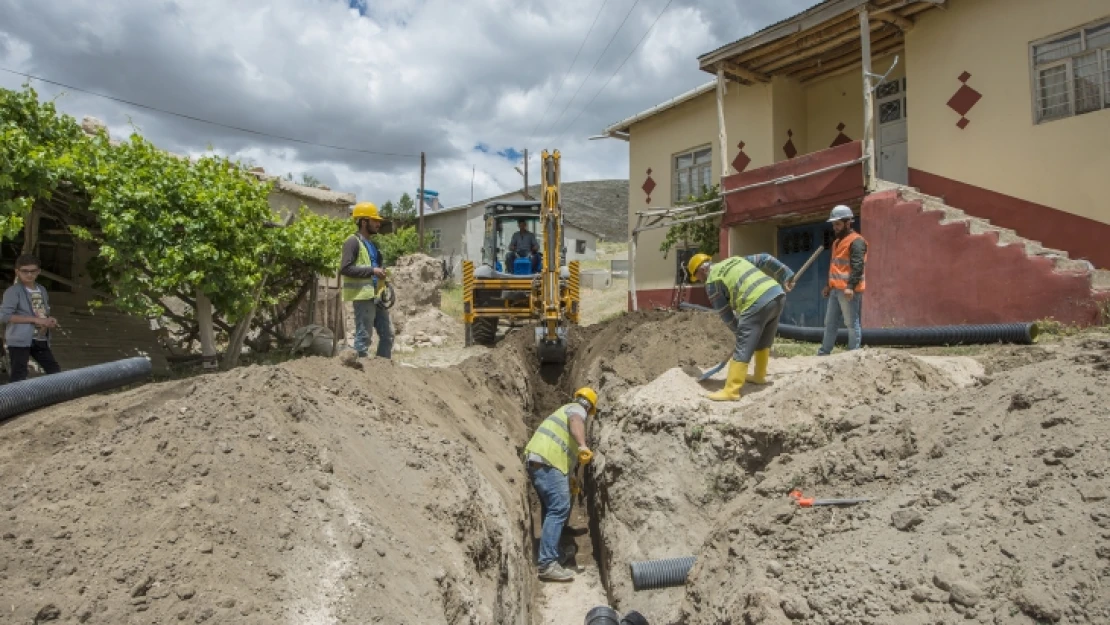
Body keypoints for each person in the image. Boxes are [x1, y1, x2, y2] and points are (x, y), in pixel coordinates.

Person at [687, 251, 795, 402]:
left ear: (702, 270)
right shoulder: (735, 260)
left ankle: (731, 390)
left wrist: (740, 333)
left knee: (743, 347)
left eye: (696, 276)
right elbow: (765, 258)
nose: (698, 280)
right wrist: (786, 274)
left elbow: (725, 314)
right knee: (764, 338)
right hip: (776, 294)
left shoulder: (712, 282)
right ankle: (759, 375)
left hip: (755, 301)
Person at [523, 387, 598, 582]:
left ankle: (553, 553)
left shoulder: (566, 410)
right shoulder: (576, 409)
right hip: (548, 462)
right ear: (589, 406)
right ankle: (547, 564)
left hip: (541, 462)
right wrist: (583, 445)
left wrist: (570, 478)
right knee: (559, 507)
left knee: (551, 509)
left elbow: (566, 449)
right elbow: (575, 423)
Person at [340, 202, 393, 359]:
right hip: (363, 297)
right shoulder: (352, 242)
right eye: (374, 220)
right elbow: (345, 268)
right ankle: (360, 376)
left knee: (388, 335)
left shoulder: (371, 245)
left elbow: (374, 267)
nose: (378, 224)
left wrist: (381, 274)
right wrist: (372, 271)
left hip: (377, 296)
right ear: (364, 222)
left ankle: (382, 371)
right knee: (363, 338)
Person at [0, 254, 62, 382]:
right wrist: (35, 320)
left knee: (54, 370)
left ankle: (58, 399)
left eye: (33, 271)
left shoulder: (42, 290)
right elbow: (4, 316)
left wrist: (49, 319)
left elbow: (41, 312)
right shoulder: (13, 291)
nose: (29, 274)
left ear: (38, 271)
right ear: (17, 271)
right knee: (19, 374)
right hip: (19, 339)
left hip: (40, 337)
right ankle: (15, 401)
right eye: (25, 271)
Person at [818, 205, 868, 356]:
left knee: (851, 324)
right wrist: (828, 285)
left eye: (838, 224)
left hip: (848, 291)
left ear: (848, 223)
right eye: (833, 224)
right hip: (835, 290)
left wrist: (850, 287)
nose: (835, 227)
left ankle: (853, 354)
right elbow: (835, 267)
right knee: (830, 323)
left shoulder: (857, 241)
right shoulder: (836, 242)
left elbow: (858, 266)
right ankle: (824, 352)